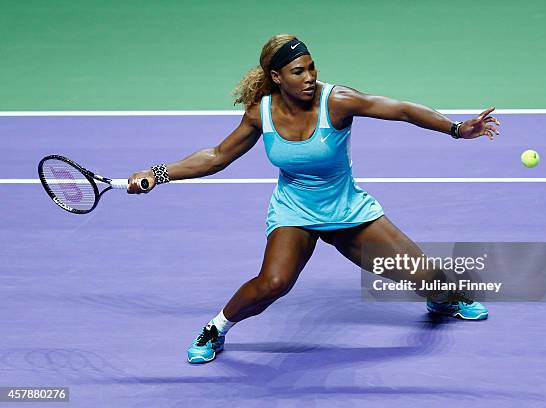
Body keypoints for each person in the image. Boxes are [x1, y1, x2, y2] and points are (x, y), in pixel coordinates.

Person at [128, 34, 501, 364]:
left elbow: (402, 110)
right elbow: (217, 155)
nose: (308, 78)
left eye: (311, 68)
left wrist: (455, 129)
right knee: (273, 282)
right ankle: (216, 328)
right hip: (295, 212)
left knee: (431, 280)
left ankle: (443, 298)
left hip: (347, 210)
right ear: (277, 78)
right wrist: (157, 173)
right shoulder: (261, 113)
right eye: (297, 72)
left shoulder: (336, 100)